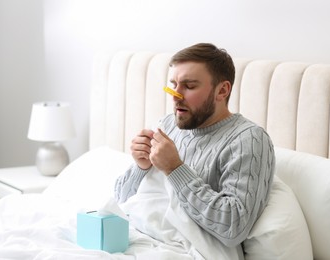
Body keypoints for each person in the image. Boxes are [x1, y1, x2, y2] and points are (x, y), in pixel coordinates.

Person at [115, 43, 275, 249]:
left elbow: (234, 228)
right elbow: (120, 199)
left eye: (189, 86)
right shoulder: (167, 125)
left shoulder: (248, 140)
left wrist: (175, 169)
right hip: (138, 235)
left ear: (222, 90)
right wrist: (141, 167)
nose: (175, 95)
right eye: (174, 85)